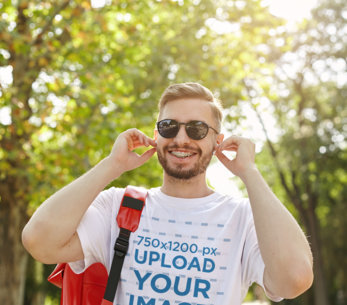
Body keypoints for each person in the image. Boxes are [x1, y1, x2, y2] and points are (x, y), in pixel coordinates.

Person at [22, 83, 313, 305]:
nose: (181, 138)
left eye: (197, 129)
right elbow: (39, 241)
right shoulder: (117, 205)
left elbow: (294, 280)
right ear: (157, 135)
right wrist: (112, 165)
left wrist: (250, 173)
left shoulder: (243, 217)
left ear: (218, 142)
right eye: (169, 126)